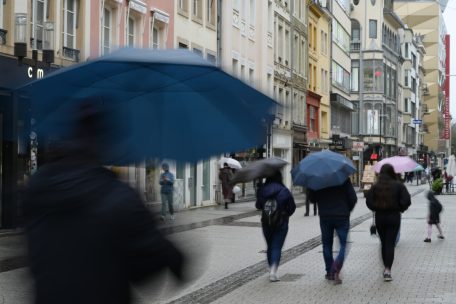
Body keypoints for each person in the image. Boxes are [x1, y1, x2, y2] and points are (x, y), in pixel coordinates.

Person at [22, 105, 186, 304]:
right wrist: (172, 254)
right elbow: (146, 267)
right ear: (104, 144)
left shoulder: (38, 186)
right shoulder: (117, 195)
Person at [366, 164, 411, 282]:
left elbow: (368, 201)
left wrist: (376, 207)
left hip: (380, 217)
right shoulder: (399, 186)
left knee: (384, 242)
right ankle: (387, 270)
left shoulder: (376, 186)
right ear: (392, 172)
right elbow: (407, 200)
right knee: (390, 243)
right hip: (394, 217)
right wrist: (400, 208)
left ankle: (385, 267)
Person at [308, 178, 357, 285]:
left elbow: (312, 199)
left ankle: (329, 271)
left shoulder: (319, 179)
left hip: (325, 215)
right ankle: (336, 266)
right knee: (343, 244)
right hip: (342, 216)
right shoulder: (343, 179)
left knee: (326, 244)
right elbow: (353, 198)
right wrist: (347, 209)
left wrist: (311, 187)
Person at [255, 170, 296, 282]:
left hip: (266, 222)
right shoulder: (284, 190)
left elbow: (258, 205)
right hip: (281, 222)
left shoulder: (262, 190)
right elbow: (292, 207)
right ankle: (273, 271)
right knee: (277, 247)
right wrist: (285, 215)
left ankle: (270, 268)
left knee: (269, 246)